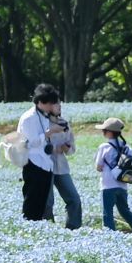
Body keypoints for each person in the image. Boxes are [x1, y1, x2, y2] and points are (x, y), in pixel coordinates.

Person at [19, 84, 82, 228]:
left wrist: (64, 146)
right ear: (42, 103)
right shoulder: (31, 118)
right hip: (38, 164)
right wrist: (51, 135)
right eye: (53, 103)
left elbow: (71, 148)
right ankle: (49, 230)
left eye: (57, 103)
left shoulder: (61, 122)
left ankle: (73, 228)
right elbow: (30, 142)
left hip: (57, 165)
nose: (56, 106)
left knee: (73, 199)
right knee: (46, 202)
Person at [94, 118, 132, 234]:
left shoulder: (104, 147)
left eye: (104, 130)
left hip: (107, 185)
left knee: (108, 213)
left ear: (109, 132)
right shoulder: (127, 148)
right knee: (125, 211)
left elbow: (98, 166)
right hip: (122, 185)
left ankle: (110, 236)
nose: (103, 132)